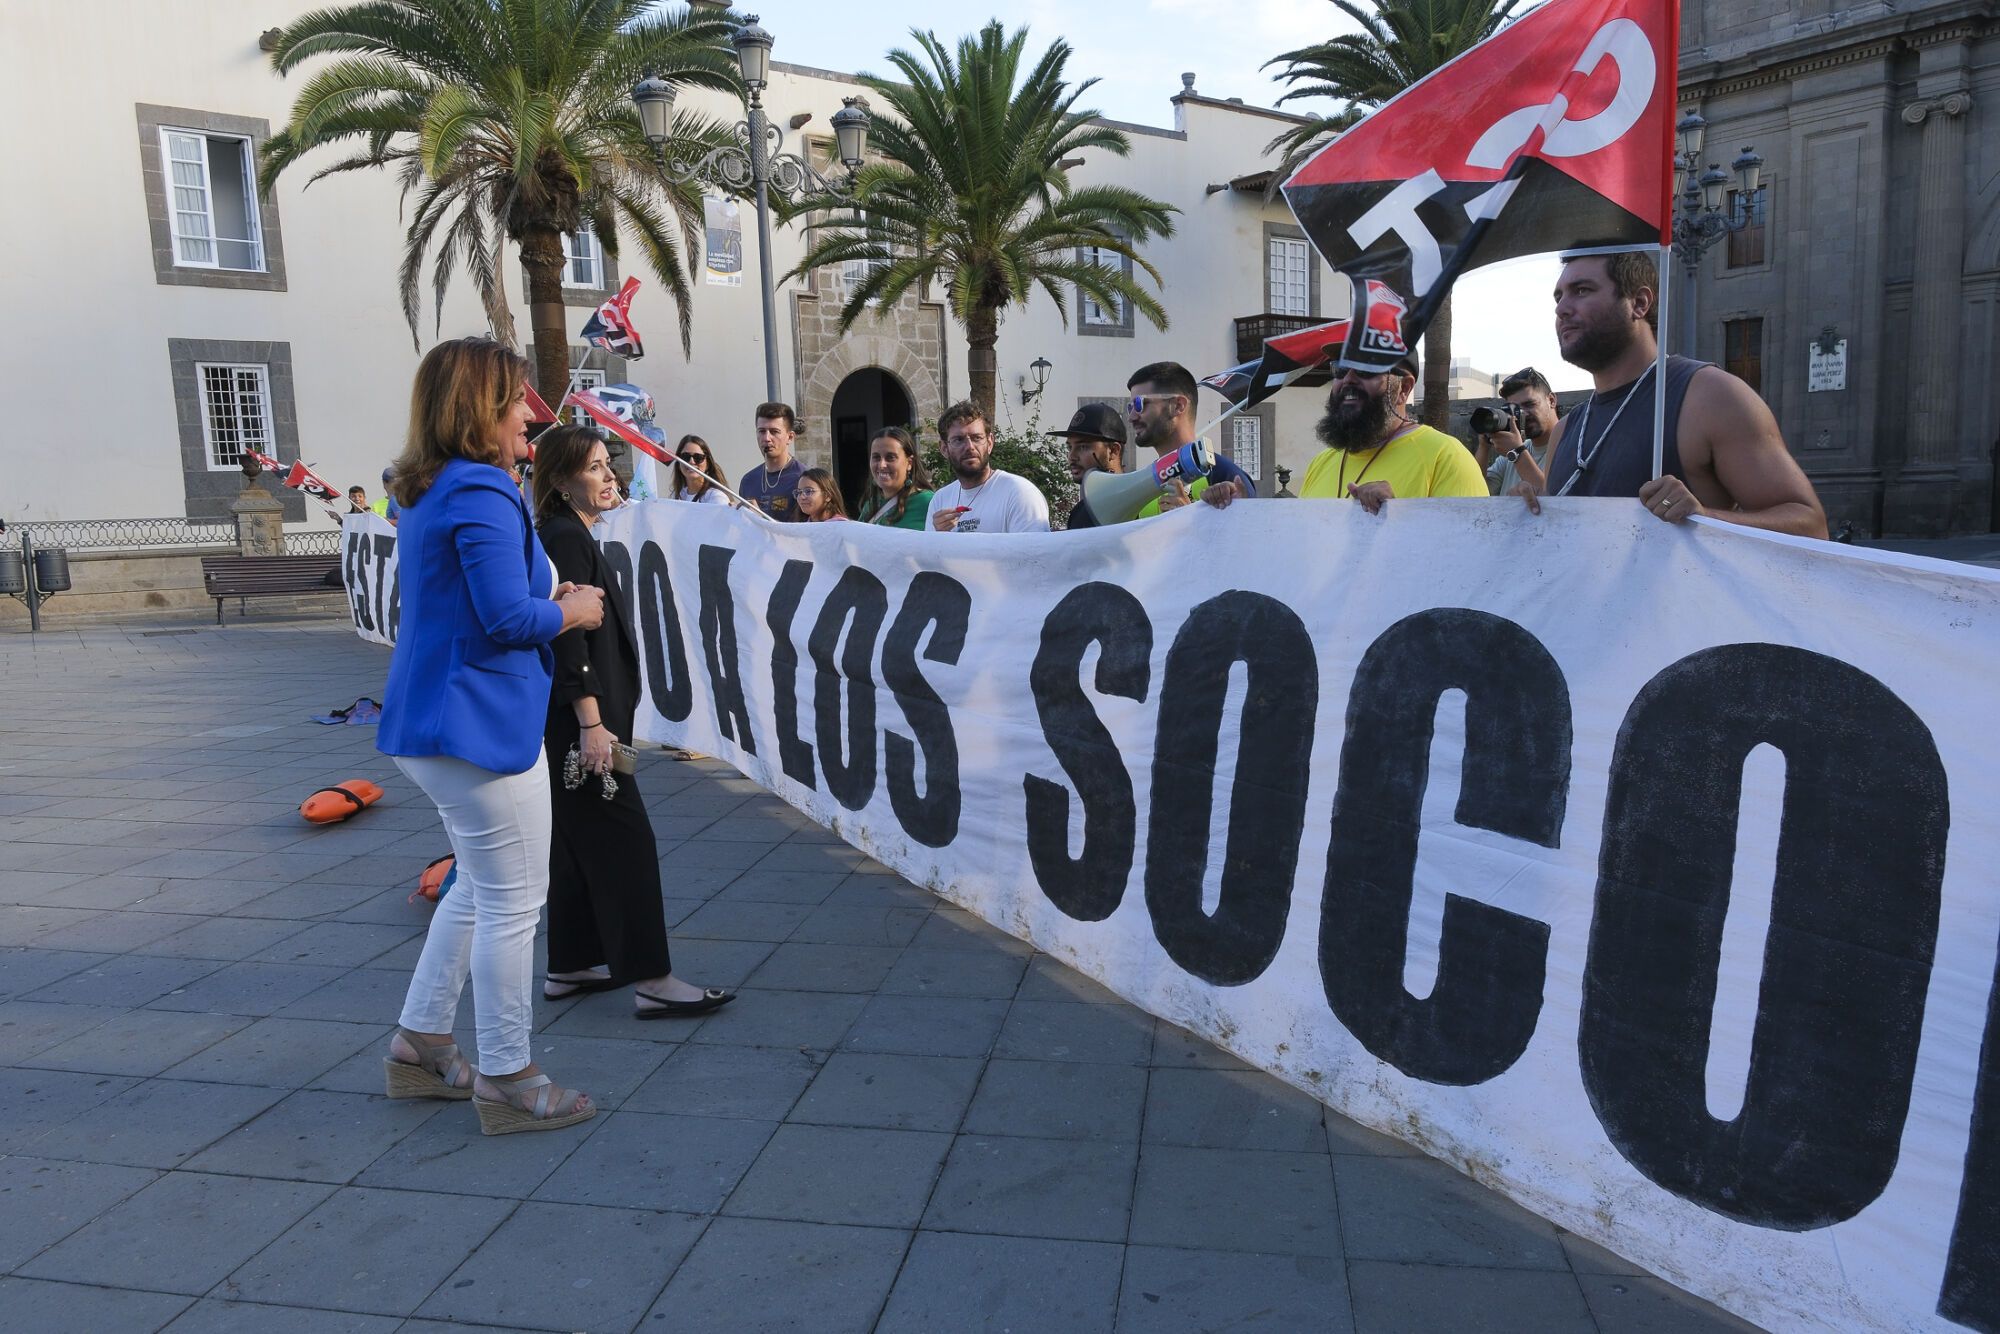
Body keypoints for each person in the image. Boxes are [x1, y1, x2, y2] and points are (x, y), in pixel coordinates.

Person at [376, 337, 607, 1135]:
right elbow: (508, 619)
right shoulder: (481, 487)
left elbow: (493, 592)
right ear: (477, 407)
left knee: (479, 886)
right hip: (477, 727)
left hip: (433, 724)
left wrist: (553, 591)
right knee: (514, 900)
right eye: (515, 398)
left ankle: (421, 1042)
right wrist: (571, 612)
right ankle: (509, 1076)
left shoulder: (432, 486)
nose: (530, 413)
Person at [529, 426, 736, 1020]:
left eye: (607, 465)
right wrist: (592, 723)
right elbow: (570, 638)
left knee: (575, 843)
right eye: (594, 468)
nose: (609, 476)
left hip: (576, 723)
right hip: (584, 728)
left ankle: (569, 964)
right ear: (564, 480)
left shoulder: (567, 532)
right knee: (628, 842)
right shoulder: (566, 537)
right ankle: (654, 980)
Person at [1522, 251, 1826, 537]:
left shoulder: (1710, 396)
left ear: (1639, 303)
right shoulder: (1564, 430)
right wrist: (1528, 511)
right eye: (1559, 297)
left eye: (1582, 290)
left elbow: (1811, 527)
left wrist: (1703, 518)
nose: (1562, 309)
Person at [1210, 347, 1486, 512]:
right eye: (1340, 370)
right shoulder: (1322, 462)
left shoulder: (1447, 457)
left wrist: (1399, 519)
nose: (1348, 380)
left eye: (1366, 369)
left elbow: (1467, 562)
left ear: (1404, 388)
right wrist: (1244, 517)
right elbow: (1303, 555)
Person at [1126, 362, 1257, 516]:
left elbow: (1249, 536)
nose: (1132, 417)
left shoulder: (1224, 476)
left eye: (1140, 404)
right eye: (1130, 407)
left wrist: (1188, 517)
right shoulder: (1145, 483)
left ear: (1178, 406)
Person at [926, 401, 1051, 533]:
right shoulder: (940, 500)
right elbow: (930, 553)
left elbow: (1032, 552)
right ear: (944, 448)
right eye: (958, 440)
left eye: (977, 438)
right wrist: (938, 537)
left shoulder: (1020, 493)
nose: (969, 447)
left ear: (990, 442)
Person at [1473, 367, 1562, 497]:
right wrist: (1484, 447)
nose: (1523, 414)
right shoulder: (1510, 456)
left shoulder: (1571, 447)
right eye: (1514, 409)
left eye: (1530, 404)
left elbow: (1555, 500)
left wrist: (1517, 452)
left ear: (1551, 401)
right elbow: (1477, 492)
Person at [1049, 403, 1126, 529]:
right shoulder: (1081, 511)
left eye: (1083, 447)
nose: (1071, 456)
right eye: (1069, 447)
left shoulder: (1139, 503)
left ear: (1113, 451)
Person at [857, 426, 935, 529]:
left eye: (890, 457)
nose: (881, 465)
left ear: (909, 463)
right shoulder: (870, 506)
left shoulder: (928, 503)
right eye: (876, 457)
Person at [737, 402, 805, 521]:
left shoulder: (804, 478)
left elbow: (808, 531)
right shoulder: (748, 480)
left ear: (790, 437)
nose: (766, 438)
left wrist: (761, 518)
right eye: (761, 431)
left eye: (774, 432)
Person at [669, 434, 732, 505]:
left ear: (708, 464)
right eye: (685, 456)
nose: (691, 462)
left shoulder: (716, 497)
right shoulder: (677, 495)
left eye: (698, 457)